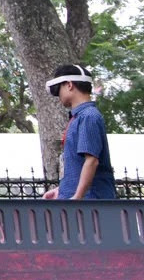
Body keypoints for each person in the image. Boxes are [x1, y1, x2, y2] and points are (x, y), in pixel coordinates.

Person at [45, 64, 117, 200]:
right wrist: (62, 190)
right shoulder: (81, 117)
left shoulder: (88, 116)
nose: (57, 95)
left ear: (69, 85)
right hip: (80, 202)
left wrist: (77, 197)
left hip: (89, 204)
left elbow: (91, 161)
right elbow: (78, 166)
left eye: (58, 89)